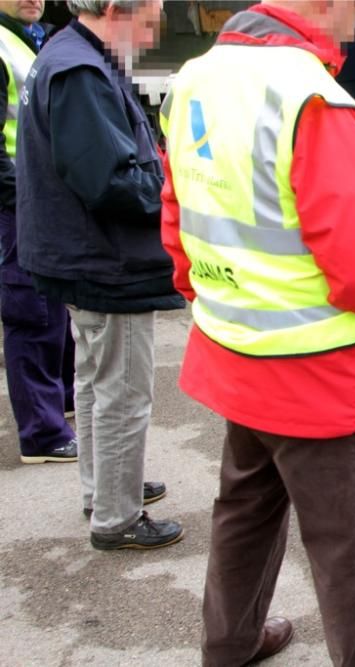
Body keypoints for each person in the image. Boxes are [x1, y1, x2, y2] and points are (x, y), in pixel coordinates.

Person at [160, 1, 355, 664]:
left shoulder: (196, 77)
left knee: (243, 519)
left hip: (236, 355)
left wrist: (234, 304)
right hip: (323, 379)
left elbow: (179, 226)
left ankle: (231, 643)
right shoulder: (313, 99)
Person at [15, 0, 180, 549]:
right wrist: (178, 194)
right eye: (151, 16)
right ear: (115, 9)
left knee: (92, 380)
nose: (156, 28)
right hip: (106, 263)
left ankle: (104, 488)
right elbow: (108, 182)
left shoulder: (66, 56)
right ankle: (117, 516)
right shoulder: (81, 71)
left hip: (73, 254)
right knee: (123, 391)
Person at [0, 0, 78, 465]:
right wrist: (23, 196)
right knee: (29, 314)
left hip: (36, 200)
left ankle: (60, 405)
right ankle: (42, 434)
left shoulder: (31, 39)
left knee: (51, 310)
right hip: (17, 204)